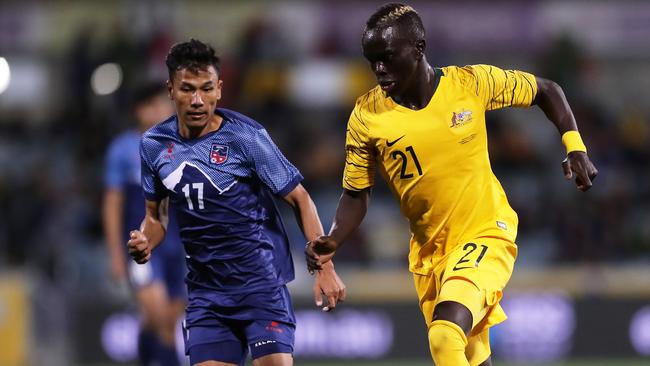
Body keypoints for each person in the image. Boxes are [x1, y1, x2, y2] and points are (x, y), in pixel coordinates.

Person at [305, 3, 598, 366]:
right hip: (430, 254)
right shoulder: (367, 116)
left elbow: (546, 90)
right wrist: (334, 238)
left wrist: (575, 147)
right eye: (372, 60)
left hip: (485, 233)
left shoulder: (469, 84)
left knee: (444, 337)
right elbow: (355, 194)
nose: (379, 69)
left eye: (388, 57)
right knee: (472, 358)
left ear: (419, 48)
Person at [127, 39, 345, 366]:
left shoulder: (246, 137)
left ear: (219, 89)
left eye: (206, 88)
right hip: (206, 295)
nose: (198, 100)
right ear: (171, 90)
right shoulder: (154, 146)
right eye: (187, 89)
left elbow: (300, 198)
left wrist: (324, 265)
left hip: (261, 287)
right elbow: (156, 217)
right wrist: (146, 240)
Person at [103, 82, 186, 366]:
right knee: (159, 315)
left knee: (168, 321)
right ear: (141, 110)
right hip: (143, 247)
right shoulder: (123, 149)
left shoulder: (179, 146)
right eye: (156, 104)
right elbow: (113, 205)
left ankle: (146, 358)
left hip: (177, 244)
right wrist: (115, 254)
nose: (164, 110)